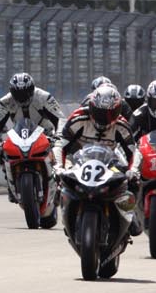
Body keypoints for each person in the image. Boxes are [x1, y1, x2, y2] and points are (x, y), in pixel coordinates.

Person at [57, 83, 139, 234]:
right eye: (100, 112)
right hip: (79, 161)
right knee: (62, 180)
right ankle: (67, 211)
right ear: (92, 106)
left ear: (117, 111)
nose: (104, 118)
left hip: (110, 164)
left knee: (132, 182)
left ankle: (130, 214)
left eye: (110, 113)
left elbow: (134, 152)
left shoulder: (122, 125)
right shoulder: (78, 118)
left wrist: (132, 170)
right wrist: (59, 166)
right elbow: (61, 145)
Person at [0, 72, 63, 139]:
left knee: (57, 149)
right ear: (12, 92)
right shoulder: (5, 101)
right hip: (18, 139)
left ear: (32, 89)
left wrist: (59, 134)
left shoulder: (44, 97)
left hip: (46, 136)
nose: (22, 98)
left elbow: (61, 119)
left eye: (25, 94)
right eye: (18, 95)